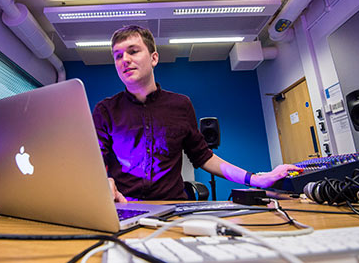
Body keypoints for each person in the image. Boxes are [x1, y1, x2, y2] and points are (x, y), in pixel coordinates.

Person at [92, 25, 302, 202]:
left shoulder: (180, 105)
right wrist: (103, 181)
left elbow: (204, 157)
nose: (124, 60)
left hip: (173, 209)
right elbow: (94, 162)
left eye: (133, 51)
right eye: (118, 56)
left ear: (154, 58)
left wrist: (255, 179)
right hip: (125, 208)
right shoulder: (105, 110)